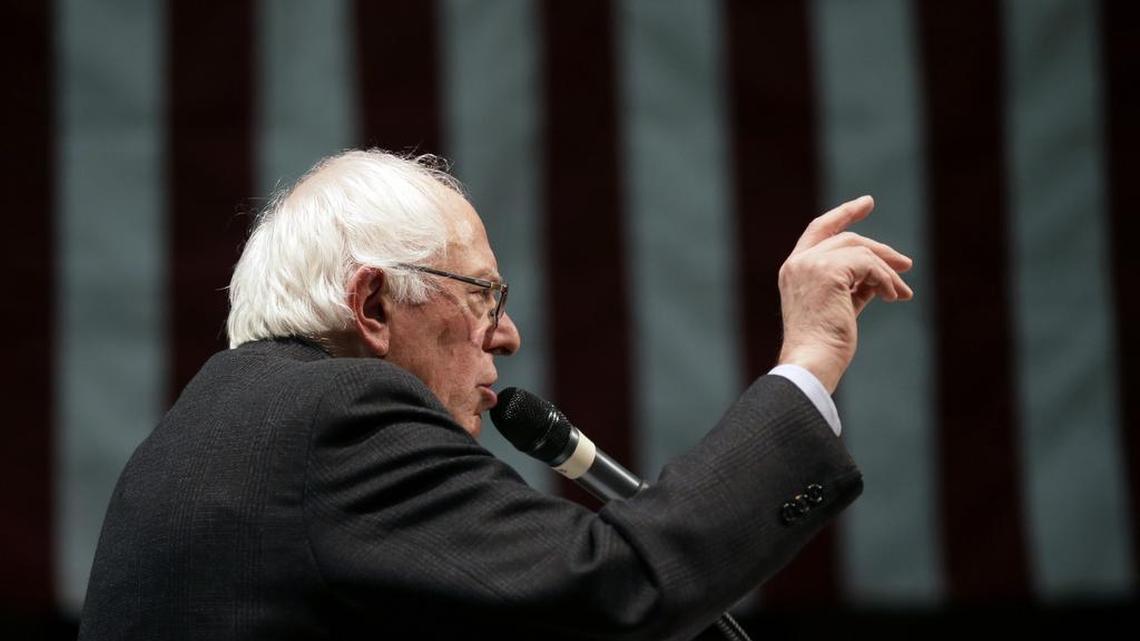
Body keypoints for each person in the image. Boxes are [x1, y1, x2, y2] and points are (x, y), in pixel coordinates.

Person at [79, 149, 913, 640]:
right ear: (373, 305)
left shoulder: (204, 434)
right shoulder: (336, 422)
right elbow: (611, 586)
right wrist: (810, 358)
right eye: (483, 296)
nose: (506, 335)